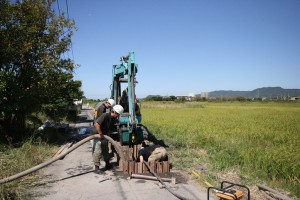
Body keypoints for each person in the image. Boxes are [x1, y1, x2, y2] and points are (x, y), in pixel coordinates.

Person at [91, 104, 124, 174]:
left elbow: (112, 127)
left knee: (105, 150)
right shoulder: (105, 115)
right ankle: (96, 168)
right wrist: (100, 133)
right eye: (118, 115)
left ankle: (108, 164)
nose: (118, 116)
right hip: (97, 135)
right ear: (114, 112)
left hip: (103, 135)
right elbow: (97, 124)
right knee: (98, 151)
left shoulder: (113, 119)